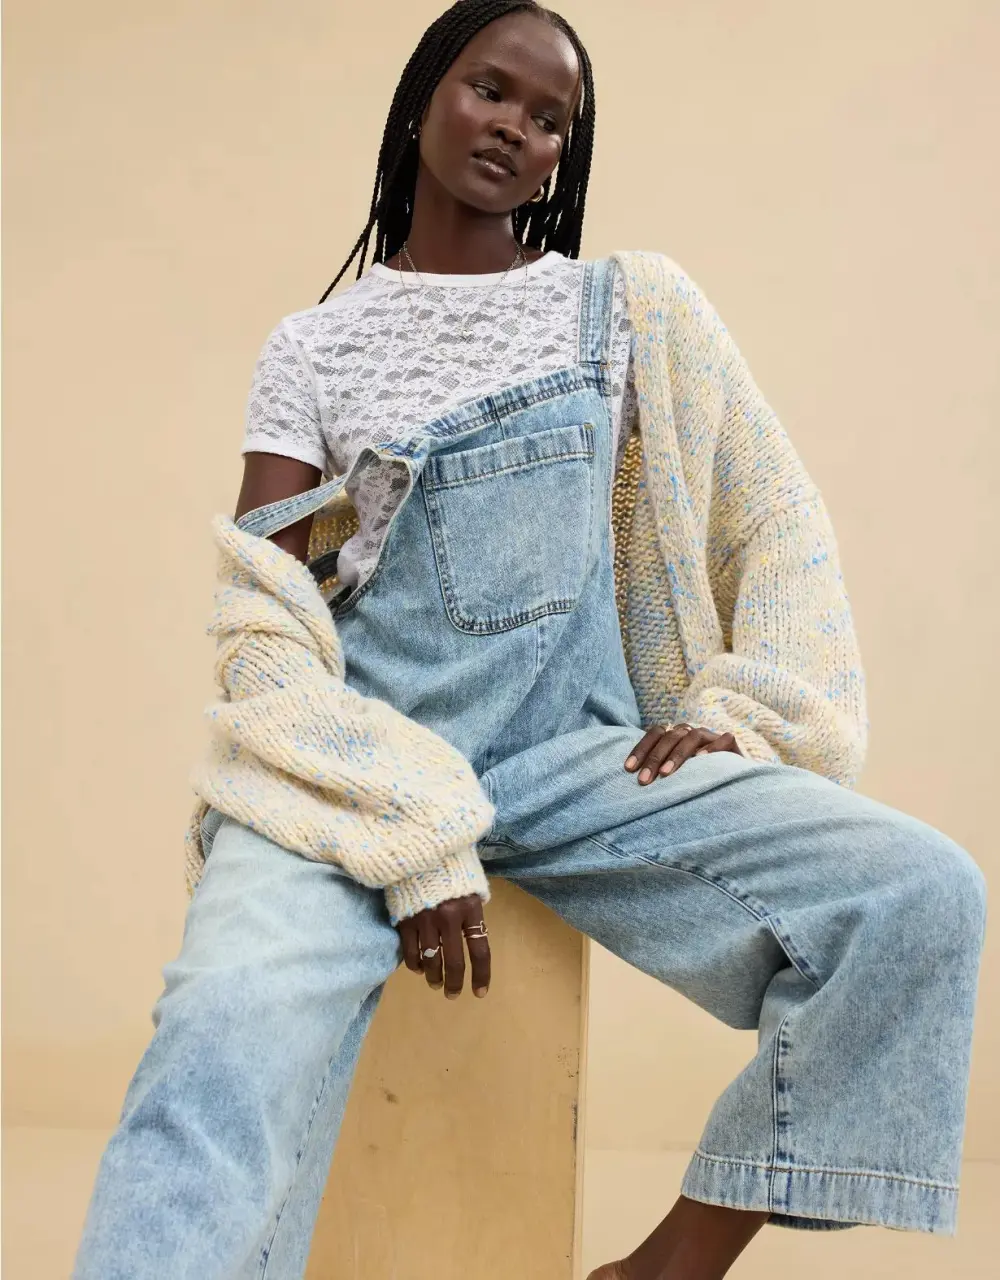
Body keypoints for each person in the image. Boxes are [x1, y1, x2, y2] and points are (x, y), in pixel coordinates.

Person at [73, 2, 987, 1278]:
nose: (516, 128)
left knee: (918, 891)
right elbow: (265, 607)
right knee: (220, 1025)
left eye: (550, 118)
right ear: (422, 99)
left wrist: (746, 709)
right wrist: (403, 815)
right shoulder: (314, 348)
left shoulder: (624, 310)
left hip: (574, 758)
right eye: (490, 90)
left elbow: (772, 517)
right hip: (357, 763)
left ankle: (670, 1265)